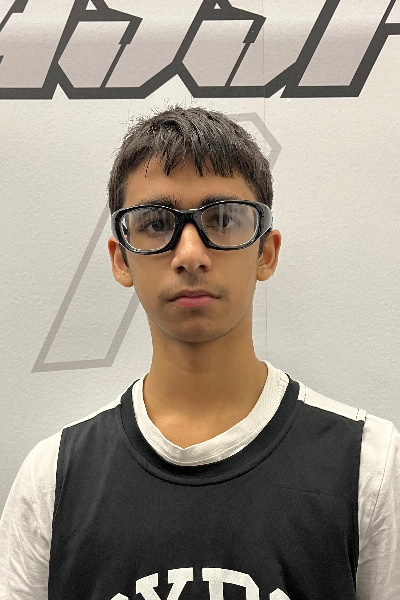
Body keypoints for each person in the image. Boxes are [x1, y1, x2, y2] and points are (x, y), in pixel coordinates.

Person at [0, 106, 399, 600]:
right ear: (121, 259)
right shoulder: (54, 477)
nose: (190, 254)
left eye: (223, 219)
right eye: (155, 223)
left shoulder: (368, 465)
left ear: (266, 252)